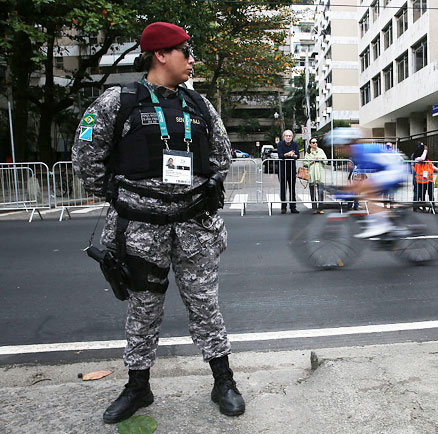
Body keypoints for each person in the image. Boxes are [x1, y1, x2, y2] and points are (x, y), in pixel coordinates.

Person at [71, 22, 244, 424]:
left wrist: (203, 187)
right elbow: (85, 156)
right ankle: (138, 387)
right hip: (141, 227)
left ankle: (224, 381)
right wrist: (122, 196)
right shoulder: (119, 102)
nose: (191, 60)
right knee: (143, 309)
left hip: (195, 226)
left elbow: (222, 156)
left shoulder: (200, 104)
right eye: (185, 52)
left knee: (205, 305)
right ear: (161, 54)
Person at [325, 128, 406, 238]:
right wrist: (343, 190)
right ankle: (388, 221)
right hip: (393, 170)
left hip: (395, 171)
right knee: (366, 191)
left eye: (338, 146)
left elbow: (360, 183)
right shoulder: (358, 151)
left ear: (347, 144)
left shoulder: (360, 152)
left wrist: (341, 193)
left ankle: (381, 226)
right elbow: (357, 180)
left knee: (367, 192)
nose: (337, 150)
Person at [277, 130, 300, 214]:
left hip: (292, 169)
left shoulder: (295, 144)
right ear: (284, 137)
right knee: (283, 189)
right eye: (286, 136)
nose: (288, 137)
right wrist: (288, 154)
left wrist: (292, 155)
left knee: (292, 189)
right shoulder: (280, 144)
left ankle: (293, 207)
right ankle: (283, 207)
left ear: (292, 137)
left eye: (290, 136)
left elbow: (297, 156)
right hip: (282, 170)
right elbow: (280, 155)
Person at [304, 137, 327, 213]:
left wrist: (319, 158)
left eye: (316, 142)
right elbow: (305, 163)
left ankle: (320, 208)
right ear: (310, 144)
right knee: (312, 192)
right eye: (313, 142)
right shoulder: (308, 153)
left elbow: (326, 161)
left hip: (320, 174)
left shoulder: (320, 151)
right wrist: (311, 162)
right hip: (312, 174)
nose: (315, 144)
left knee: (320, 192)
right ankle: (314, 208)